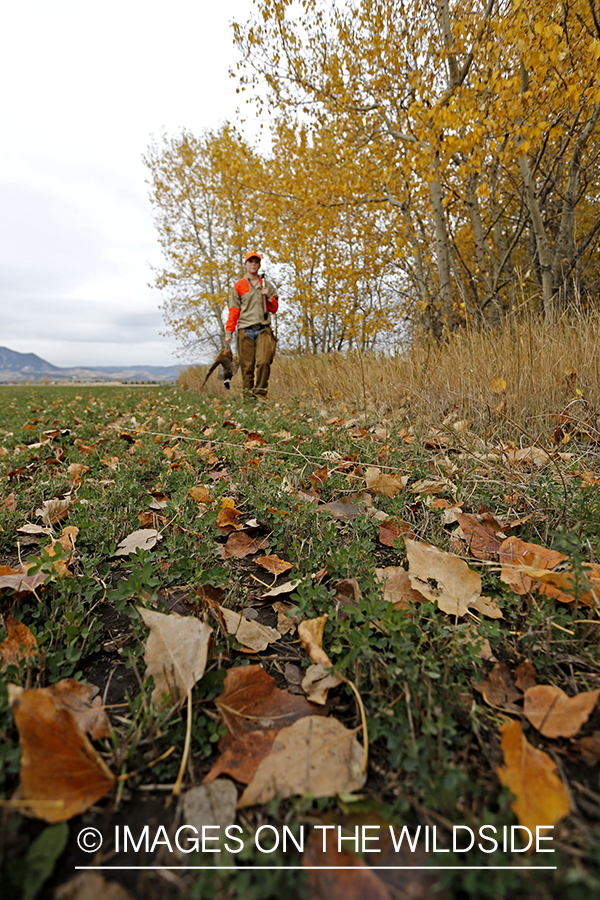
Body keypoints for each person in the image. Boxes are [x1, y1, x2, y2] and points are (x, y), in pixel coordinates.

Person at [224, 251, 279, 400]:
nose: (253, 264)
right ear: (246, 264)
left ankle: (261, 396)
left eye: (256, 262)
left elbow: (274, 308)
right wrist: (229, 332)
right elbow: (234, 311)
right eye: (251, 261)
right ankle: (248, 399)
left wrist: (267, 296)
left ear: (259, 265)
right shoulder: (239, 285)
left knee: (263, 363)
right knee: (247, 368)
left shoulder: (266, 284)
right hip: (245, 331)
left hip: (264, 330)